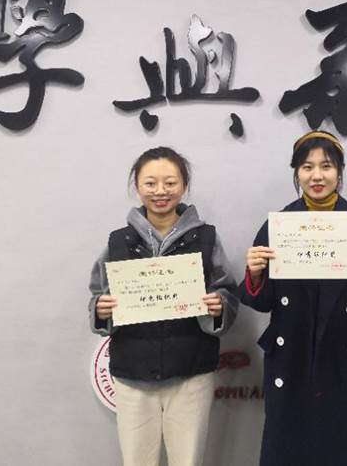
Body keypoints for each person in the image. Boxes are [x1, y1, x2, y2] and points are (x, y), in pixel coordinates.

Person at [240, 131, 347, 466]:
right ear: (296, 172)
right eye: (307, 167)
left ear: (339, 172)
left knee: (344, 450)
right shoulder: (278, 226)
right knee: (287, 448)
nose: (317, 175)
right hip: (291, 356)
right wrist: (255, 274)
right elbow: (261, 302)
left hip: (342, 358)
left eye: (326, 166)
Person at [88, 146, 238, 466]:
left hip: (191, 373)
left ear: (183, 185)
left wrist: (219, 305)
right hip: (132, 374)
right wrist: (100, 310)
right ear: (137, 186)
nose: (160, 191)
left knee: (188, 460)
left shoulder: (206, 238)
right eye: (150, 183)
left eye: (170, 183)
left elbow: (227, 289)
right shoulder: (118, 241)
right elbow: (98, 293)